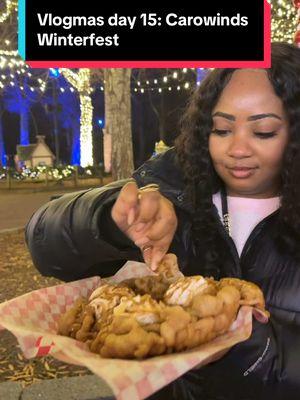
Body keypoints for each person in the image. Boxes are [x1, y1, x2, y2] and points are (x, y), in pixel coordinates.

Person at [25, 42, 300, 400]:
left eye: (263, 131)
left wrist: (242, 347)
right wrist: (110, 219)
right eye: (221, 129)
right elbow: (44, 243)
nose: (237, 149)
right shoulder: (174, 180)